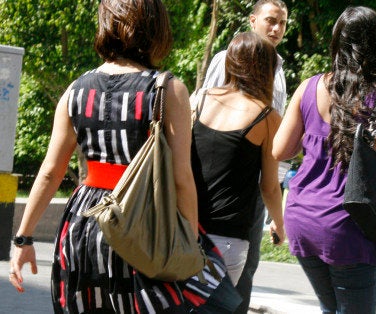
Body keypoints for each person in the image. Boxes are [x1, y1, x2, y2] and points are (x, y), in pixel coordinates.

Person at [7, 0, 226, 312]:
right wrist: (187, 242)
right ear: (155, 27)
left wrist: (23, 239)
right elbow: (180, 178)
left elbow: (50, 172)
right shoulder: (166, 89)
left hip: (85, 221)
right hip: (143, 221)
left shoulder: (76, 90)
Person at [273, 6, 376, 313]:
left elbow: (279, 150)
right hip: (348, 229)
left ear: (336, 43)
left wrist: (316, 140)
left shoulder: (308, 87)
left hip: (301, 219)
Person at [199, 1, 289, 312]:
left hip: (248, 194)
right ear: (253, 21)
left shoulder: (279, 71)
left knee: (245, 270)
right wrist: (280, 220)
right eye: (270, 20)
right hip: (220, 197)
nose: (276, 28)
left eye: (282, 23)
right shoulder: (225, 62)